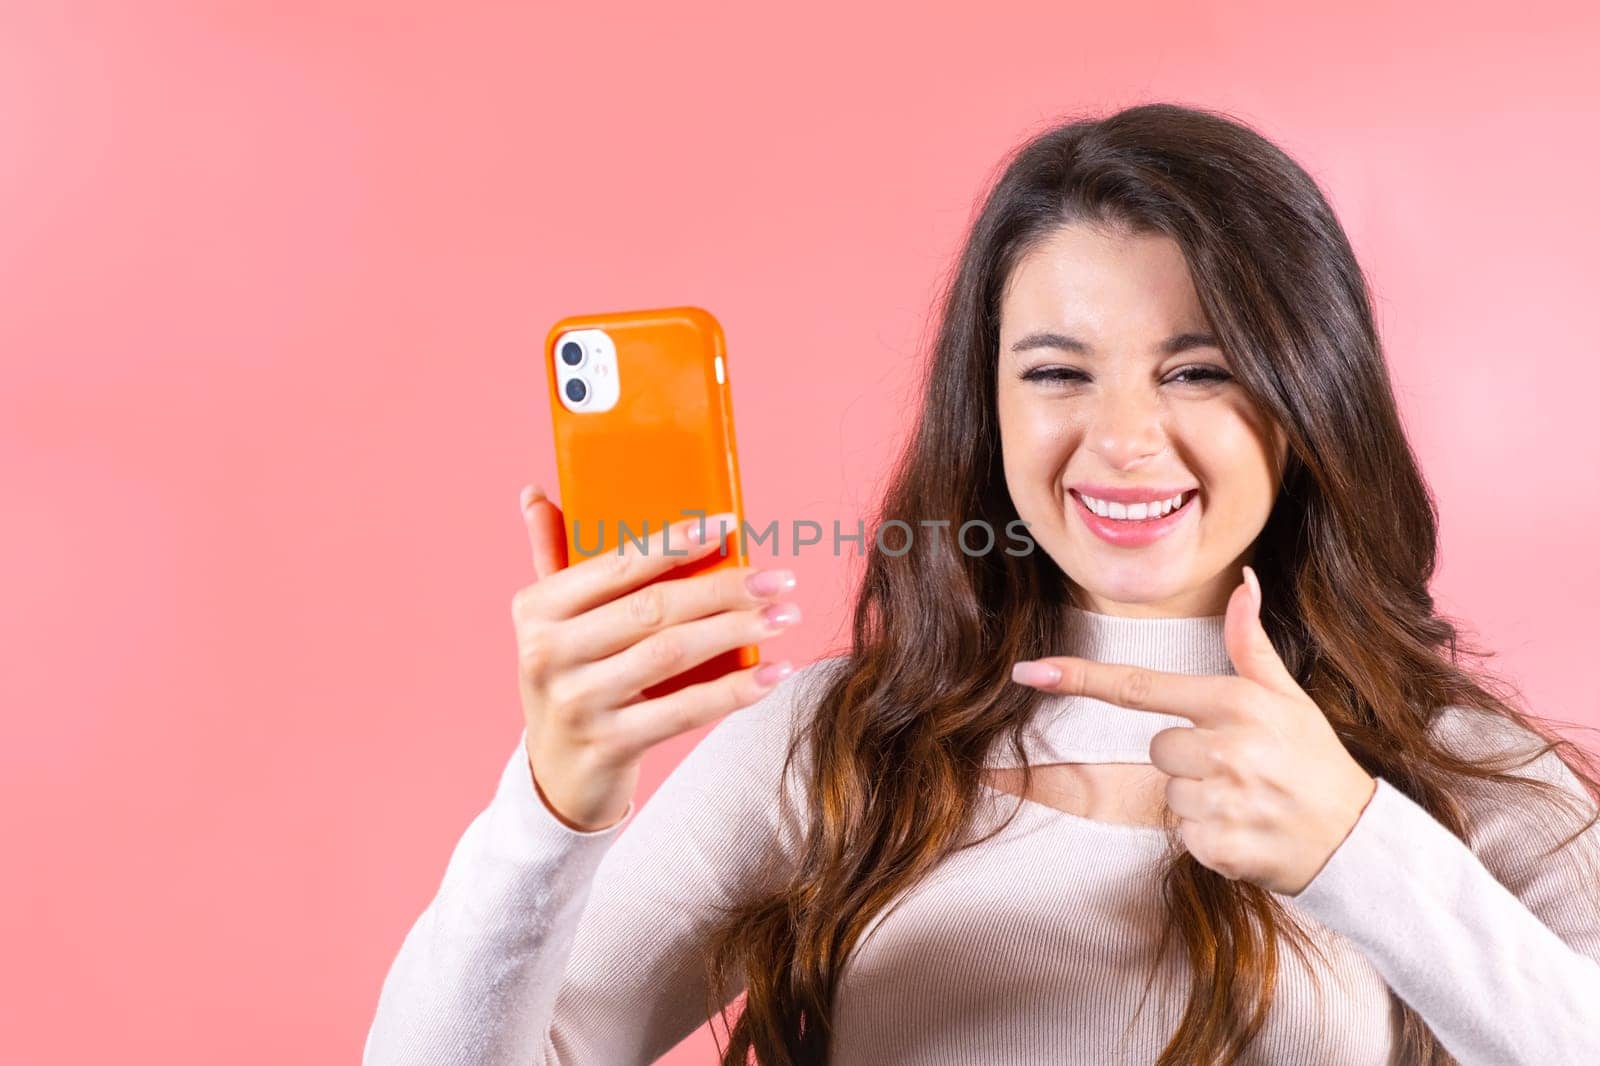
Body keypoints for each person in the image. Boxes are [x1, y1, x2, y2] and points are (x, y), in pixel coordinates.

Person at [363, 102, 1600, 1065]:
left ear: (1305, 394)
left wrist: (1357, 847)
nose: (1122, 440)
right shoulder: (837, 744)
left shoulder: (1440, 766)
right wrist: (551, 808)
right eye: (1058, 374)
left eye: (1197, 371)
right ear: (987, 408)